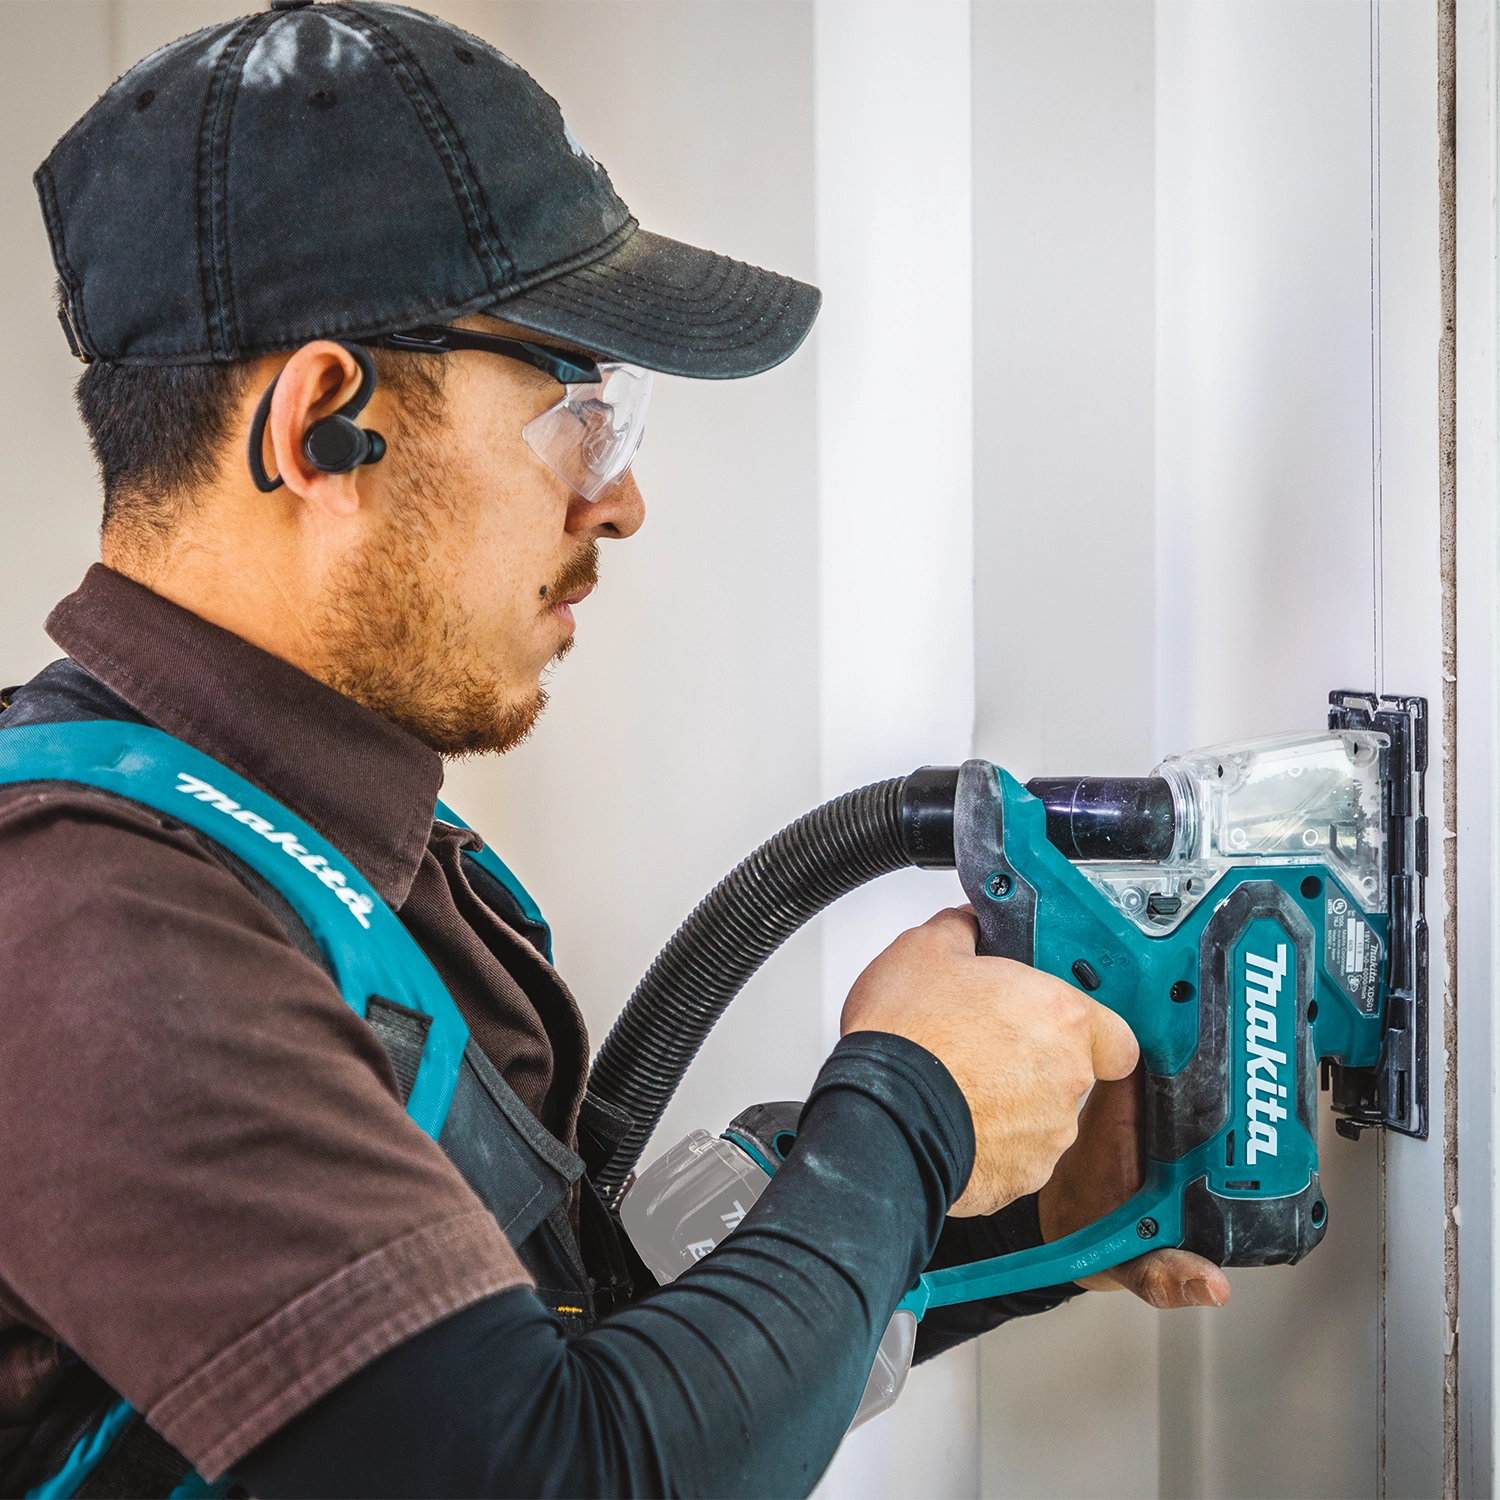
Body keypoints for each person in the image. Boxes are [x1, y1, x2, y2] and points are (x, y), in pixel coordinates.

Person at [0, 5, 1227, 1498]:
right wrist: (908, 1109)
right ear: (323, 424)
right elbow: (548, 1472)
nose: (623, 501)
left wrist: (991, 1216)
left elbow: (558, 1355)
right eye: (583, 403)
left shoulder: (323, 857)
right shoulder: (86, 920)